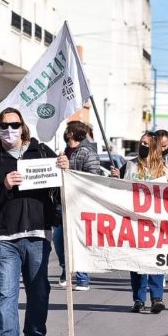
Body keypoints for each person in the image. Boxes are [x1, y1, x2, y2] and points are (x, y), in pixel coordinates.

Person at [0, 108, 69, 336]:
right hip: (4, 237)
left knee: (39, 293)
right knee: (6, 294)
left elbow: (63, 191)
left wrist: (64, 170)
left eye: (14, 125)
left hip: (38, 235)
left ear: (23, 127)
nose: (9, 130)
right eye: (3, 126)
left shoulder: (42, 153)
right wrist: (3, 187)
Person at [114, 132, 168, 314]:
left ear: (154, 147)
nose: (143, 146)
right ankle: (139, 299)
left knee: (155, 261)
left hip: (156, 224)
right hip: (134, 223)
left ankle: (157, 298)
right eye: (141, 143)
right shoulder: (129, 166)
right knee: (136, 264)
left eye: (147, 143)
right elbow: (117, 189)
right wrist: (116, 178)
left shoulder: (165, 169)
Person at [54, 121, 100, 291]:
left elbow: (93, 178)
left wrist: (69, 168)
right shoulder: (64, 151)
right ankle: (66, 268)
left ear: (71, 134)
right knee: (58, 240)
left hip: (80, 204)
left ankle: (82, 278)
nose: (65, 132)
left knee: (79, 241)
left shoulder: (88, 153)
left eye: (67, 130)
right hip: (62, 203)